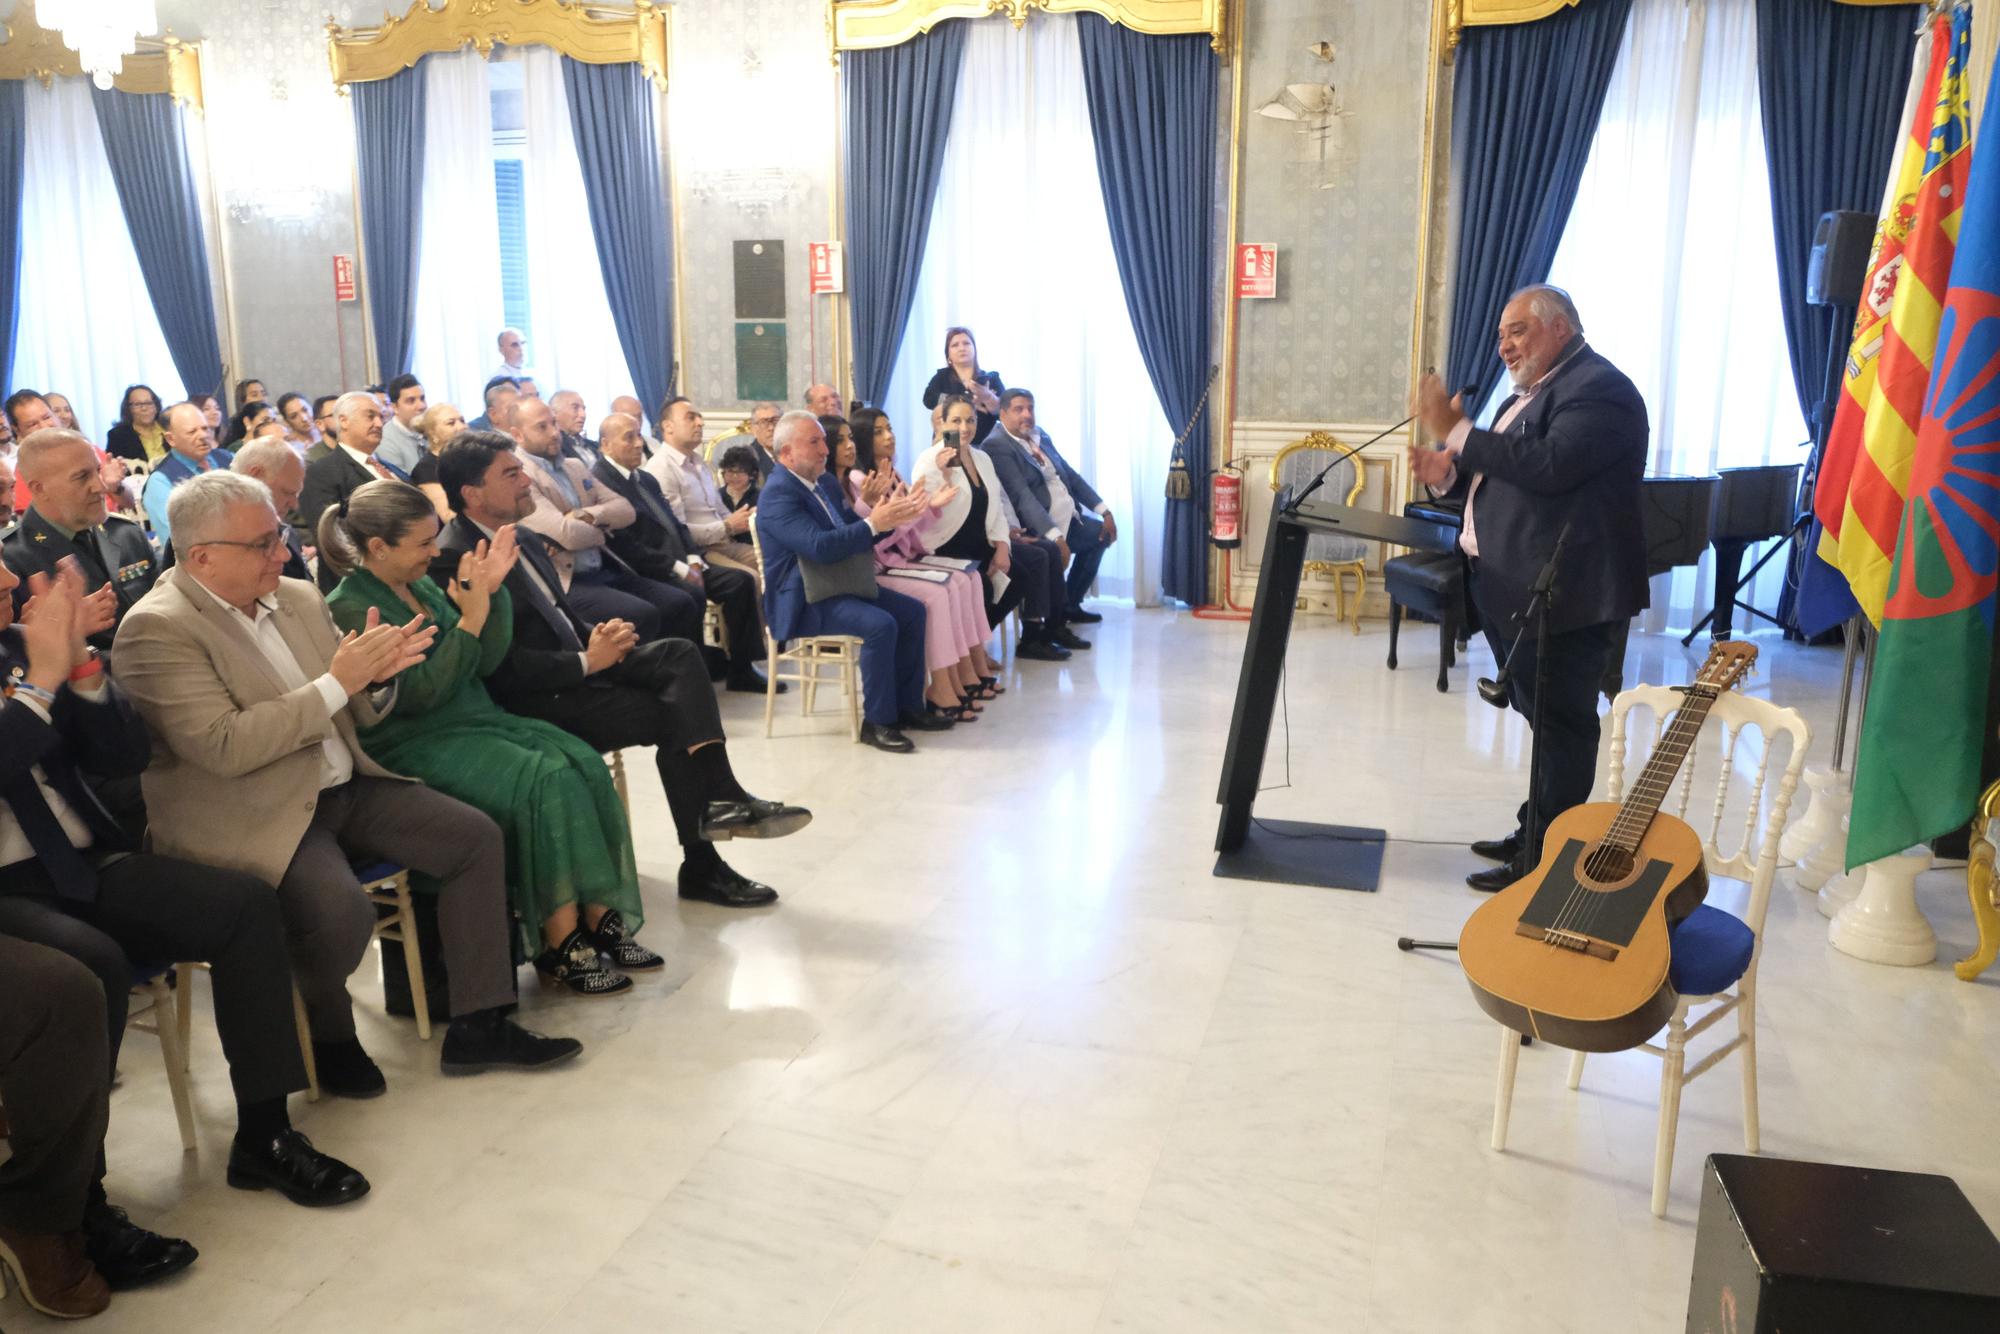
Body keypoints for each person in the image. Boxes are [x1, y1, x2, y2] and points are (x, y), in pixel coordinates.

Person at [114, 471, 578, 1091]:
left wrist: (380, 676)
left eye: (278, 536)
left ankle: (478, 1024)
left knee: (473, 837)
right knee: (342, 915)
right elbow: (223, 746)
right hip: (256, 809)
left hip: (344, 784)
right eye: (263, 544)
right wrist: (338, 682)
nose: (283, 553)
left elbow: (356, 705)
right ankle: (327, 1028)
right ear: (202, 556)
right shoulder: (158, 628)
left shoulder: (297, 599)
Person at [0, 557, 373, 1223]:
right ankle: (77, 1201)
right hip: (7, 888)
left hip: (79, 860)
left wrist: (82, 667)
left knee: (241, 905)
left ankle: (266, 1132)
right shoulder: (30, 662)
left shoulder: (19, 649)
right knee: (93, 965)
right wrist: (41, 684)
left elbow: (122, 758)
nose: (10, 589)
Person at [318, 477, 667, 993]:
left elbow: (484, 662)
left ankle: (600, 918)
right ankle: (560, 943)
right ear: (377, 547)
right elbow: (417, 695)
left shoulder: (417, 586)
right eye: (422, 544)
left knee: (582, 761)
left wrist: (492, 596)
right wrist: (470, 621)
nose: (435, 552)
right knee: (545, 779)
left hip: (471, 720)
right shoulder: (352, 605)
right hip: (414, 740)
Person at [437, 434, 808, 905]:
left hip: (580, 664)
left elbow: (559, 615)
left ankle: (722, 799)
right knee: (677, 714)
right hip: (536, 698)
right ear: (472, 493)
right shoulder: (457, 557)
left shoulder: (522, 536)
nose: (525, 479)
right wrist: (586, 661)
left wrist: (598, 635)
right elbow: (497, 667)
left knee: (678, 654)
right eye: (511, 474)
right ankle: (704, 859)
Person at [1407, 284, 1649, 892]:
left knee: (1564, 726)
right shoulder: (1532, 395)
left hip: (1567, 593)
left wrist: (1456, 429)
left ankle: (1548, 862)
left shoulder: (1600, 389)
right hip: (1516, 586)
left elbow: (1549, 467)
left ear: (1560, 328)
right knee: (1545, 719)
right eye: (1500, 336)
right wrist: (1448, 478)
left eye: (1517, 330)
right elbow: (1507, 486)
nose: (1504, 346)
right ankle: (1535, 833)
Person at [756, 411, 948, 753]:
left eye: (822, 441)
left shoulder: (825, 482)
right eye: (813, 443)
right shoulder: (777, 494)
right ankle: (877, 722)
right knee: (880, 625)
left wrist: (890, 517)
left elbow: (851, 532)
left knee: (913, 612)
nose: (825, 450)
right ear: (786, 453)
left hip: (837, 582)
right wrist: (875, 523)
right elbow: (818, 547)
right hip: (804, 598)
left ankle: (908, 707)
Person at [592, 412, 774, 692]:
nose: (639, 444)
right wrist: (678, 568)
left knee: (740, 582)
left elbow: (676, 524)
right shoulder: (602, 482)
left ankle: (742, 668)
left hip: (682, 557)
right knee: (687, 595)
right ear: (605, 445)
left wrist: (691, 558)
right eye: (628, 437)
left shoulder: (644, 478)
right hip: (649, 567)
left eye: (639, 435)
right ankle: (689, 674)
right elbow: (627, 545)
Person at [834, 412, 994, 716]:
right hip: (882, 566)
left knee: (967, 579)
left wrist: (924, 508)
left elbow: (905, 526)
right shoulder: (858, 480)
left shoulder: (890, 474)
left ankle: (966, 671)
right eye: (878, 432)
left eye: (889, 429)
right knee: (940, 593)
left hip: (901, 557)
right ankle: (943, 685)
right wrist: (919, 509)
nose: (889, 437)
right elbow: (879, 537)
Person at [502, 395, 694, 639]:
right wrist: (601, 529)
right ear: (517, 435)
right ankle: (639, 675)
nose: (553, 432)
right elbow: (566, 535)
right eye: (542, 427)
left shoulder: (574, 466)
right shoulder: (521, 476)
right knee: (643, 613)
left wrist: (583, 515)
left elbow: (625, 510)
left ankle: (677, 672)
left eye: (553, 423)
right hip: (569, 580)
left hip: (605, 567)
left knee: (680, 601)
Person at [916, 396, 1068, 661]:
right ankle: (968, 653)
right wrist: (944, 473)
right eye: (956, 421)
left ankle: (974, 641)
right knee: (984, 585)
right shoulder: (930, 459)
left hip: (980, 541)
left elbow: (996, 506)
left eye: (970, 420)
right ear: (942, 424)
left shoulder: (981, 457)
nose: (964, 427)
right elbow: (924, 511)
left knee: (1017, 577)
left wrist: (1002, 546)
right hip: (947, 545)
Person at [5, 429, 154, 649]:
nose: (100, 486)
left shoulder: (125, 533)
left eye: (98, 471)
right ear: (39, 488)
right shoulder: (11, 559)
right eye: (82, 477)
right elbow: (13, 662)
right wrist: (65, 630)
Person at [981, 388, 1115, 626]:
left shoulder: (1038, 435)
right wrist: (1055, 537)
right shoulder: (997, 444)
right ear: (1002, 413)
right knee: (1047, 554)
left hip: (1069, 519)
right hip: (1036, 526)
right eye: (1019, 409)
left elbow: (1069, 475)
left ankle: (1070, 604)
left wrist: (1104, 510)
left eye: (1030, 408)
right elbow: (1022, 497)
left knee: (1101, 535)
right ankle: (1049, 623)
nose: (1027, 414)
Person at [300, 390, 405, 592]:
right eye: (370, 416)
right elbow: (330, 535)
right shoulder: (323, 471)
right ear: (344, 421)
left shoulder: (393, 469)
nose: (378, 423)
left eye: (381, 417)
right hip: (362, 583)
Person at [645, 396, 760, 576]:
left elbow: (720, 510)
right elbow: (677, 530)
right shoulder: (661, 468)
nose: (700, 423)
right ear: (668, 426)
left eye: (699, 417)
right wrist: (727, 526)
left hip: (724, 542)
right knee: (750, 577)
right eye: (691, 417)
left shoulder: (699, 463)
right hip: (698, 551)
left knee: (776, 563)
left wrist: (745, 519)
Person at [140, 403, 234, 546]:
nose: (203, 436)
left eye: (205, 428)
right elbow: (175, 542)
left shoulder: (229, 458)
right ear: (171, 439)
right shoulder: (161, 481)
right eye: (192, 432)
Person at [227, 437, 312, 579]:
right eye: (287, 492)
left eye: (296, 494)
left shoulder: (286, 532)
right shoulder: (219, 537)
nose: (294, 505)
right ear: (255, 476)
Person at [922, 326, 1005, 444]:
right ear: (948, 355)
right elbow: (928, 400)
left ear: (975, 349)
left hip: (986, 443)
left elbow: (1004, 412)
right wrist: (965, 401)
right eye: (955, 345)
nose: (962, 348)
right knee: (951, 461)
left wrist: (987, 397)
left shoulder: (990, 378)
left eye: (966, 343)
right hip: (951, 440)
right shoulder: (941, 377)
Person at [412, 401, 467, 518]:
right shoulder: (426, 468)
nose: (462, 427)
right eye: (451, 423)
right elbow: (447, 515)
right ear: (433, 434)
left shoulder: (472, 459)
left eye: (462, 420)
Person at [375, 374, 431, 479]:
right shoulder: (384, 440)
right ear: (395, 407)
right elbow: (403, 485)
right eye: (411, 401)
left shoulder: (432, 429)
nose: (421, 406)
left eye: (422, 398)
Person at [104, 385, 166, 466]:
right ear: (128, 409)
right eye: (137, 404)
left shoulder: (169, 427)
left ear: (156, 406)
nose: (144, 408)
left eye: (148, 403)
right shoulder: (117, 436)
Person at [725, 403, 780, 483]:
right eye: (764, 422)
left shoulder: (792, 453)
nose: (771, 428)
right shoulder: (746, 458)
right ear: (753, 429)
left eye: (775, 421)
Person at [549, 390, 601, 471]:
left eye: (583, 409)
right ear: (554, 413)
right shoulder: (554, 448)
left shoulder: (594, 445)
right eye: (575, 408)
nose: (583, 415)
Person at [718, 443, 761, 532]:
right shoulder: (717, 496)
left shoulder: (761, 497)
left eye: (740, 472)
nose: (734, 477)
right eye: (730, 471)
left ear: (751, 474)